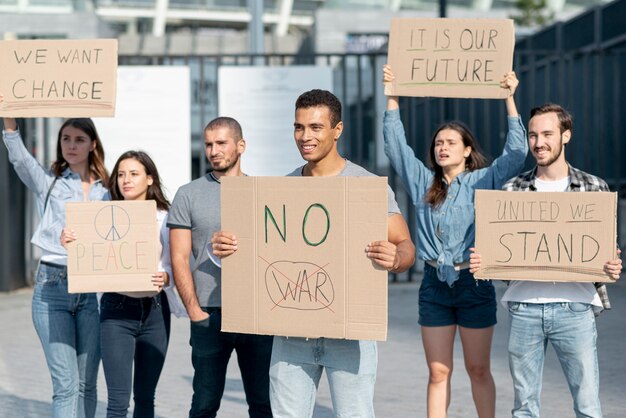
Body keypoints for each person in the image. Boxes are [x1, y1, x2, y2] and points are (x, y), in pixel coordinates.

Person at [212, 89, 416, 418]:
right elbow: (253, 251)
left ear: (337, 130)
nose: (305, 136)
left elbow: (406, 246)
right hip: (291, 334)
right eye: (299, 127)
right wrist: (226, 248)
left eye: (316, 127)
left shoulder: (364, 186)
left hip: (349, 334)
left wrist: (396, 258)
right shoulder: (282, 190)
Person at [382, 65, 528, 418]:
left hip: (473, 284)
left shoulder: (485, 179)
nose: (442, 147)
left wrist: (509, 97)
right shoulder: (423, 182)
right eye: (438, 143)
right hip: (433, 285)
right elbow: (396, 146)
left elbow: (517, 152)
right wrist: (392, 94)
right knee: (438, 371)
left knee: (477, 369)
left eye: (450, 143)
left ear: (466, 150)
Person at [469, 103, 622, 418]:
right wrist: (484, 262)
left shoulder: (594, 188)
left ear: (566, 135)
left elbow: (607, 253)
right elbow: (501, 257)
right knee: (524, 408)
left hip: (576, 309)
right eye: (533, 135)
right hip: (525, 308)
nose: (539, 142)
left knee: (588, 407)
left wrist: (612, 267)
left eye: (548, 134)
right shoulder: (511, 191)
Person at [61, 150, 187, 417]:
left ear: (150, 179)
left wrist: (166, 277)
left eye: (133, 174)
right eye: (120, 175)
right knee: (118, 402)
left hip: (155, 311)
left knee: (145, 398)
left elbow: (177, 262)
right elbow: (88, 256)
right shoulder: (100, 216)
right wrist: (70, 241)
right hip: (116, 312)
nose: (125, 180)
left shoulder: (166, 217)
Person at [2, 107, 108, 417]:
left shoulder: (108, 189)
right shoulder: (48, 180)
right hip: (53, 287)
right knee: (66, 384)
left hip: (95, 292)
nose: (71, 145)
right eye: (65, 139)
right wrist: (8, 117)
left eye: (79, 139)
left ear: (93, 145)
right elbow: (19, 158)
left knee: (88, 383)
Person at [168, 117, 273, 418]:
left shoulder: (262, 192)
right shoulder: (188, 194)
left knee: (264, 403)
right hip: (209, 314)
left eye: (221, 143)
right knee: (204, 403)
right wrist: (194, 311)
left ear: (240, 146)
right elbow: (179, 257)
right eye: (209, 144)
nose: (214, 151)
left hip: (256, 314)